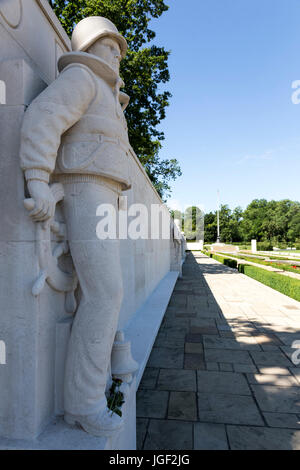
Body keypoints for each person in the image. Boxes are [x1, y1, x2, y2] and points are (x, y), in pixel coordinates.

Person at [20, 16, 131, 437]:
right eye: (109, 46)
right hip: (83, 190)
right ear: (89, 46)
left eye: (119, 49)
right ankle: (84, 404)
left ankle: (82, 398)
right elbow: (43, 119)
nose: (117, 54)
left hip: (105, 196)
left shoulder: (109, 95)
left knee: (97, 292)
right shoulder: (83, 78)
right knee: (107, 292)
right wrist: (36, 177)